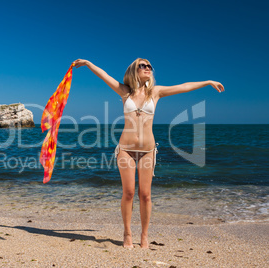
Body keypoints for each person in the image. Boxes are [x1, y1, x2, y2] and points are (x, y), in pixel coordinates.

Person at [73, 58, 224, 249]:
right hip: (126, 150)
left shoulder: (156, 92)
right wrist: (88, 64)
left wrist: (208, 82)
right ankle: (127, 233)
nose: (147, 69)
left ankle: (144, 235)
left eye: (149, 66)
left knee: (145, 195)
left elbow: (184, 86)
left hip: (147, 151)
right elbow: (105, 76)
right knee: (128, 193)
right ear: (134, 70)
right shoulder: (124, 91)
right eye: (142, 66)